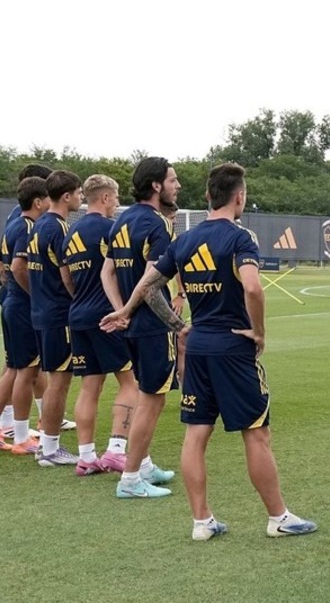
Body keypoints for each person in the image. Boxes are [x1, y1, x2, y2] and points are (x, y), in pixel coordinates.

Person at [102, 162, 317, 540]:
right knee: (256, 434)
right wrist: (259, 332)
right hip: (233, 348)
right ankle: (278, 517)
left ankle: (202, 522)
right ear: (239, 197)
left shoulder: (184, 240)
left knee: (196, 435)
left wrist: (137, 314)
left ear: (207, 197)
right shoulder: (240, 237)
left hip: (198, 347)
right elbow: (253, 287)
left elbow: (149, 286)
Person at [102, 157, 179, 498]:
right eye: (173, 180)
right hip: (152, 326)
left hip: (133, 326)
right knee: (152, 400)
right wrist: (129, 310)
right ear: (157, 185)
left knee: (146, 392)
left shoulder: (121, 220)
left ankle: (143, 465)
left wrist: (121, 310)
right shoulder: (158, 224)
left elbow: (107, 272)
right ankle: (130, 479)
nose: (178, 186)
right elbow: (150, 283)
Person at [64, 174, 139, 475]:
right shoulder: (111, 229)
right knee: (130, 383)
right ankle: (116, 450)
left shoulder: (71, 232)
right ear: (106, 197)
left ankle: (86, 457)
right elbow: (120, 271)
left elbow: (66, 278)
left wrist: (82, 299)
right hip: (107, 316)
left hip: (78, 314)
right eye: (116, 197)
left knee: (89, 387)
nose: (118, 203)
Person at [27, 169, 84, 466]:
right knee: (59, 382)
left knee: (55, 380)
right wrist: (81, 300)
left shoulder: (38, 225)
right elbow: (67, 275)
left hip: (41, 311)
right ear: (67, 196)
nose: (81, 198)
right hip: (58, 315)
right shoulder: (59, 228)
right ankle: (49, 448)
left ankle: (47, 445)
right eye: (79, 193)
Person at [1, 176, 50, 455]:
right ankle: (21, 437)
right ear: (38, 202)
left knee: (14, 370)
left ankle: (11, 430)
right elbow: (19, 267)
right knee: (26, 372)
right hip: (22, 307)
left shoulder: (13, 224)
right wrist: (36, 295)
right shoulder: (27, 227)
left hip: (12, 303)